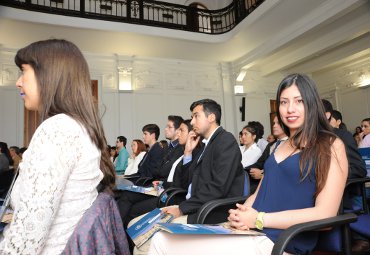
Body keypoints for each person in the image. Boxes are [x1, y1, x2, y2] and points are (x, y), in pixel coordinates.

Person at [148, 74, 348, 255]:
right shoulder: (280, 147)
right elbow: (258, 193)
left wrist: (259, 219)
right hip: (251, 231)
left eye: (299, 101)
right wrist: (240, 214)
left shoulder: (330, 145)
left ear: (311, 104)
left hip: (281, 242)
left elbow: (325, 214)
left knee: (163, 243)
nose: (290, 109)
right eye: (284, 102)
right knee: (160, 237)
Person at [0, 39, 116, 254]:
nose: (18, 82)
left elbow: (27, 238)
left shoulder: (57, 130)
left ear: (49, 75)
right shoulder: (80, 127)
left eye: (24, 71)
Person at [134, 99, 245, 255]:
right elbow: (187, 182)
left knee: (146, 239)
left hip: (209, 212)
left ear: (211, 117)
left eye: (196, 116)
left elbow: (217, 188)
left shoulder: (225, 140)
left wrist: (181, 208)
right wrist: (187, 152)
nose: (192, 121)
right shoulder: (205, 145)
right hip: (193, 205)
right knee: (136, 226)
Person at [245, 116, 288, 193]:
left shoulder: (292, 144)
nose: (274, 125)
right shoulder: (271, 145)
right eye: (274, 123)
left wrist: (263, 175)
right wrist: (242, 170)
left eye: (278, 123)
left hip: (279, 185)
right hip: (265, 180)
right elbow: (260, 163)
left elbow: (285, 170)